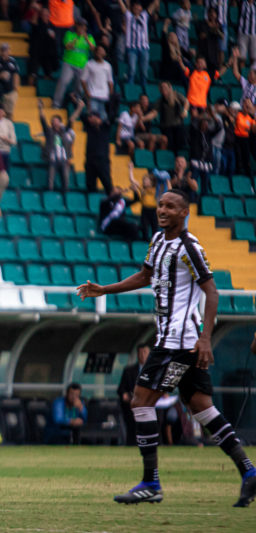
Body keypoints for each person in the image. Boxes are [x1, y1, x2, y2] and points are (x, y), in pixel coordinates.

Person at [78, 189, 256, 507]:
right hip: (174, 341)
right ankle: (249, 472)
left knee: (140, 402)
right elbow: (146, 276)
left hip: (179, 343)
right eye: (160, 204)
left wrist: (204, 338)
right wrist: (105, 289)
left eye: (170, 206)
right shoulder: (158, 241)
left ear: (184, 212)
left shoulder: (190, 247)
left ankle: (151, 483)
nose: (163, 210)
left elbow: (212, 293)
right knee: (203, 409)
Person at [40, 98, 83, 192]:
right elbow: (42, 121)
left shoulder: (64, 131)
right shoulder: (49, 132)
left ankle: (65, 196)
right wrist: (40, 109)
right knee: (50, 180)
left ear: (60, 122)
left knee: (66, 180)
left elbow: (72, 119)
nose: (54, 122)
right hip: (52, 159)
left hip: (64, 159)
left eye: (56, 121)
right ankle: (50, 194)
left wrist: (79, 108)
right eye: (53, 121)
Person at [53, 18, 94, 109]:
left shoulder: (89, 37)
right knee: (63, 82)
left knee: (79, 87)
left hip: (82, 65)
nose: (82, 28)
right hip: (69, 63)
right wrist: (77, 37)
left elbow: (93, 49)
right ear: (77, 26)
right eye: (80, 25)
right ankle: (56, 104)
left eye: (84, 26)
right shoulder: (70, 34)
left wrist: (86, 38)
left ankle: (77, 106)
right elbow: (68, 46)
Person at [119, 0, 155, 93]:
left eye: (138, 7)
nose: (136, 8)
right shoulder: (129, 16)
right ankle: (130, 90)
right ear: (132, 8)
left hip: (144, 48)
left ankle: (144, 91)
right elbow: (122, 6)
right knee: (132, 70)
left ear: (141, 8)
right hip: (132, 48)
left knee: (144, 71)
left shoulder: (144, 15)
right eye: (135, 7)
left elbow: (153, 5)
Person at [118, 344, 151, 446]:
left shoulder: (153, 370)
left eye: (145, 352)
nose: (142, 355)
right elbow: (121, 389)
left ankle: (154, 443)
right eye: (140, 352)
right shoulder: (128, 371)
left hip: (150, 402)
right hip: (133, 403)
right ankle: (131, 444)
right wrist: (124, 394)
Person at [98, 171, 140, 241]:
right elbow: (111, 199)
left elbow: (136, 199)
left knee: (134, 227)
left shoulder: (122, 202)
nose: (116, 194)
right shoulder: (105, 201)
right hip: (108, 225)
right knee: (122, 223)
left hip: (119, 226)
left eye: (117, 192)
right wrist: (121, 192)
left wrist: (135, 191)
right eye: (114, 192)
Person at [81, 45, 114, 120]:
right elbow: (83, 80)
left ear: (104, 53)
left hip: (104, 95)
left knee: (103, 118)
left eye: (101, 51)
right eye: (98, 51)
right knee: (93, 117)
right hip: (93, 95)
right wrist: (87, 92)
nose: (99, 52)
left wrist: (110, 93)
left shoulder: (108, 66)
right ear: (95, 52)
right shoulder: (89, 64)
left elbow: (110, 81)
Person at [156, 81, 190, 152]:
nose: (163, 89)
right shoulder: (160, 100)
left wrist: (185, 110)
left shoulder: (176, 95)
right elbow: (154, 112)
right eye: (162, 88)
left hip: (177, 125)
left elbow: (186, 102)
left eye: (165, 87)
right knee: (170, 145)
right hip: (166, 127)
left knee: (180, 144)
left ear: (169, 88)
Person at [0, 43, 20, 119]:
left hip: (10, 90)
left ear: (9, 51)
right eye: (2, 50)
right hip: (0, 90)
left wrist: (16, 86)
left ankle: (9, 123)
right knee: (2, 110)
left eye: (6, 50)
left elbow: (16, 74)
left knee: (9, 110)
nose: (4, 52)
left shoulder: (12, 61)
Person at [239, 0, 256, 64]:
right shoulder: (242, 3)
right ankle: (240, 73)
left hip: (254, 34)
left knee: (253, 58)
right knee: (242, 58)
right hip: (242, 33)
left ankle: (252, 73)